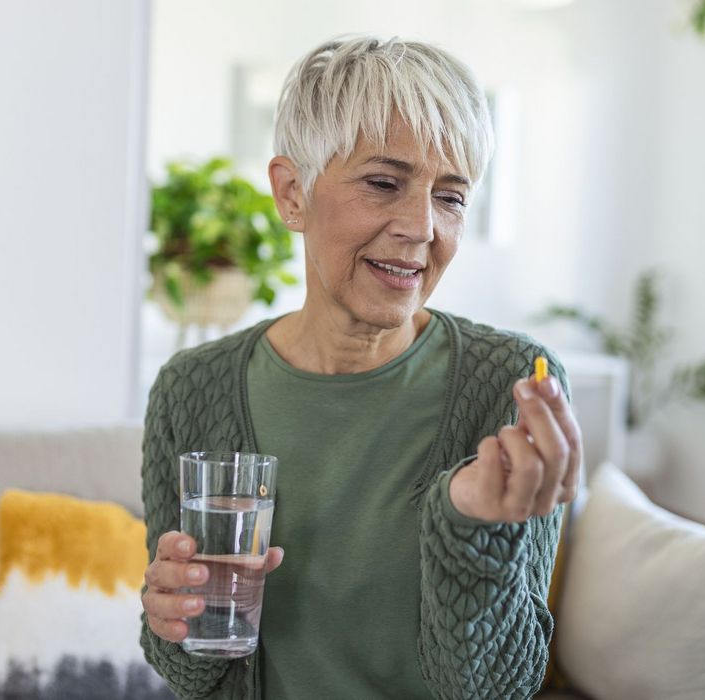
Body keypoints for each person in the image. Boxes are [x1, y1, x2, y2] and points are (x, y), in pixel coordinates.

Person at [139, 36, 582, 700]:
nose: (421, 226)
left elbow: (499, 689)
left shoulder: (512, 385)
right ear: (293, 193)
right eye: (384, 183)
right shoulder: (192, 390)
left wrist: (471, 528)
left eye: (450, 197)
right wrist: (170, 619)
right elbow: (194, 670)